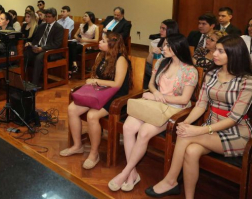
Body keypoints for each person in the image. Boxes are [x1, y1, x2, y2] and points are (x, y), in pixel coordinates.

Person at [147, 35, 252, 198]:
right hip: (211, 127)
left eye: (220, 51)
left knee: (186, 137)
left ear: (234, 53)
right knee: (191, 151)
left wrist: (196, 130)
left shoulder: (247, 81)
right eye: (215, 49)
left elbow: (233, 119)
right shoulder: (211, 74)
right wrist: (186, 123)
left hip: (236, 132)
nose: (214, 54)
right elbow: (201, 105)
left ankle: (170, 180)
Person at [108, 34, 197, 192]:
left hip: (173, 110)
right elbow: (151, 83)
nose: (163, 48)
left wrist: (159, 97)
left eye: (167, 45)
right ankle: (133, 173)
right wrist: (155, 93)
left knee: (143, 132)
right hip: (155, 105)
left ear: (177, 47)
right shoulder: (162, 62)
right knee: (128, 127)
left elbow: (184, 99)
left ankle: (125, 172)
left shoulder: (190, 71)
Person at [60, 32, 131, 170]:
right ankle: (77, 146)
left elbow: (117, 84)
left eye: (103, 41)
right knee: (72, 109)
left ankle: (94, 154)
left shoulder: (121, 59)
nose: (99, 42)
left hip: (115, 95)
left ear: (111, 45)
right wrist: (94, 82)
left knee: (92, 116)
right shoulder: (101, 55)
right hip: (100, 92)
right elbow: (95, 75)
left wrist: (96, 81)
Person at [24, 8, 64, 86]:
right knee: (26, 54)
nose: (47, 18)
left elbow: (56, 44)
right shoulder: (42, 26)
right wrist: (33, 45)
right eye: (46, 16)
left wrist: (42, 48)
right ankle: (24, 80)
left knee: (39, 58)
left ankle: (34, 84)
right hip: (38, 48)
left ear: (54, 17)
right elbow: (36, 39)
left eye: (49, 17)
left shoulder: (59, 28)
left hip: (49, 51)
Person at [144, 19, 179, 89]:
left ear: (171, 30)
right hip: (158, 66)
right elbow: (149, 62)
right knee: (144, 67)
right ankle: (147, 88)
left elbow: (175, 60)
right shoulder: (160, 41)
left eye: (163, 28)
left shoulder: (177, 42)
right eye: (160, 28)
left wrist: (162, 52)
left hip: (169, 69)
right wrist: (151, 52)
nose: (160, 30)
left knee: (145, 69)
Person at [68, 11, 100, 76]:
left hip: (86, 45)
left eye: (86, 16)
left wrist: (85, 40)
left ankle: (70, 70)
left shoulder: (95, 27)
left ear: (90, 17)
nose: (84, 17)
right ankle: (74, 64)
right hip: (79, 42)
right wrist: (79, 39)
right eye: (84, 16)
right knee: (70, 45)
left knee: (71, 49)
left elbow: (96, 40)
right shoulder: (82, 25)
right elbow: (75, 35)